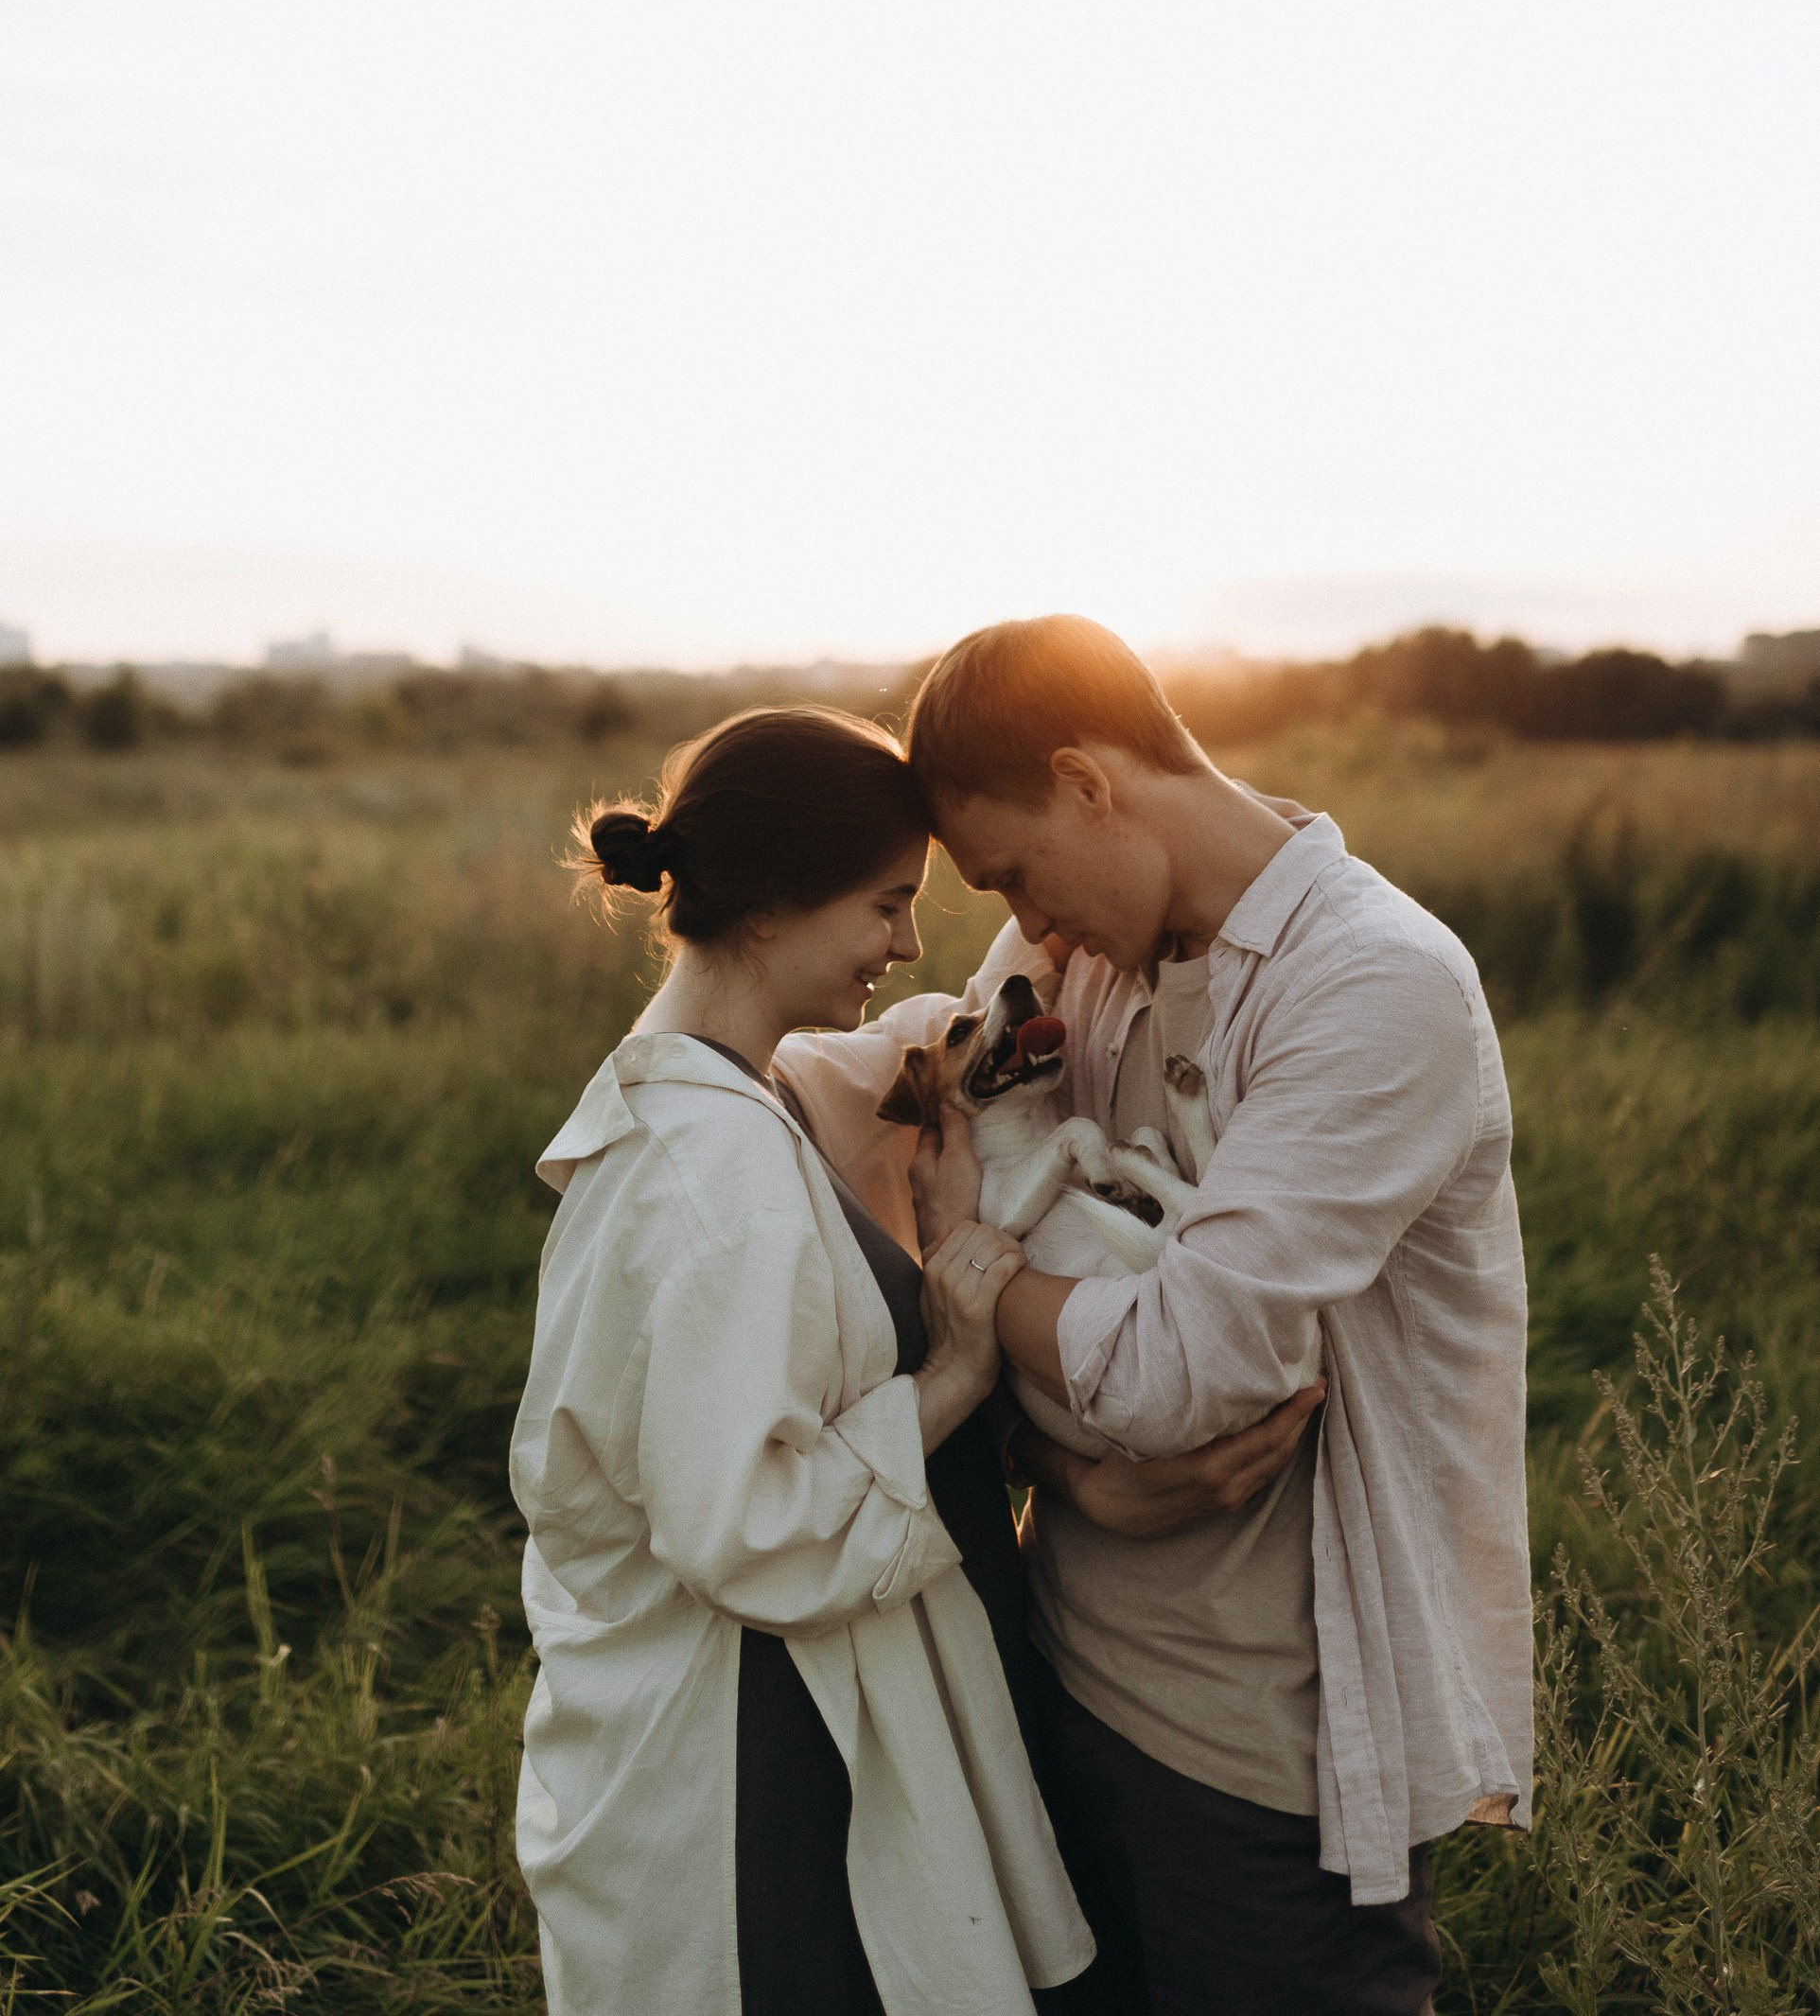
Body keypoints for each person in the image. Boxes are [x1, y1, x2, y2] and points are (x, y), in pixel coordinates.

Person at [779, 618, 1532, 2016]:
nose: (1026, 926)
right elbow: (882, 1080)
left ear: (1087, 780)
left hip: (1267, 1761)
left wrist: (973, 1276)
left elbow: (1179, 1369)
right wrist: (1064, 1474)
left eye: (1014, 875)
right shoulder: (1091, 948)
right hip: (1057, 1675)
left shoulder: (1374, 985)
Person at [510, 706, 1096, 2016]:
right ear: (769, 908)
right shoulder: (716, 1175)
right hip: (756, 1750)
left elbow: (911, 1043)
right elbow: (747, 1523)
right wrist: (951, 1369)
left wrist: (1052, 938)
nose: (905, 943)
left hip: (766, 1716)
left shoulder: (728, 1087)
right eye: (887, 906)